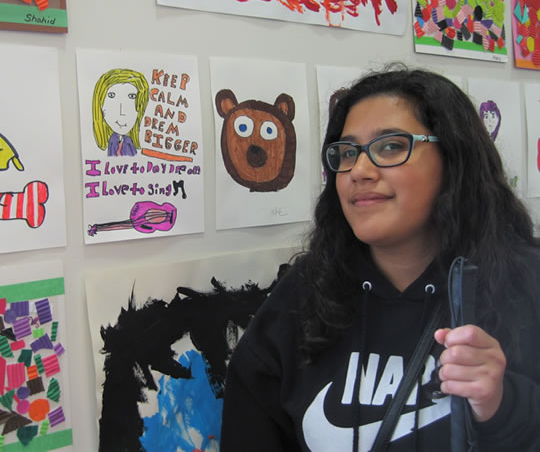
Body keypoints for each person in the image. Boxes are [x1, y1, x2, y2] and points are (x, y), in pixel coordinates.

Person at [221, 65, 540, 451]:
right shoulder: (303, 296)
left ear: (453, 159)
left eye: (390, 147)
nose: (359, 170)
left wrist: (502, 406)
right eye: (347, 152)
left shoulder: (525, 284)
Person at [92, 68, 150, 156]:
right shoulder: (109, 145)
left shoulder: (132, 146)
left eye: (132, 96)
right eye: (111, 96)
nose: (121, 111)